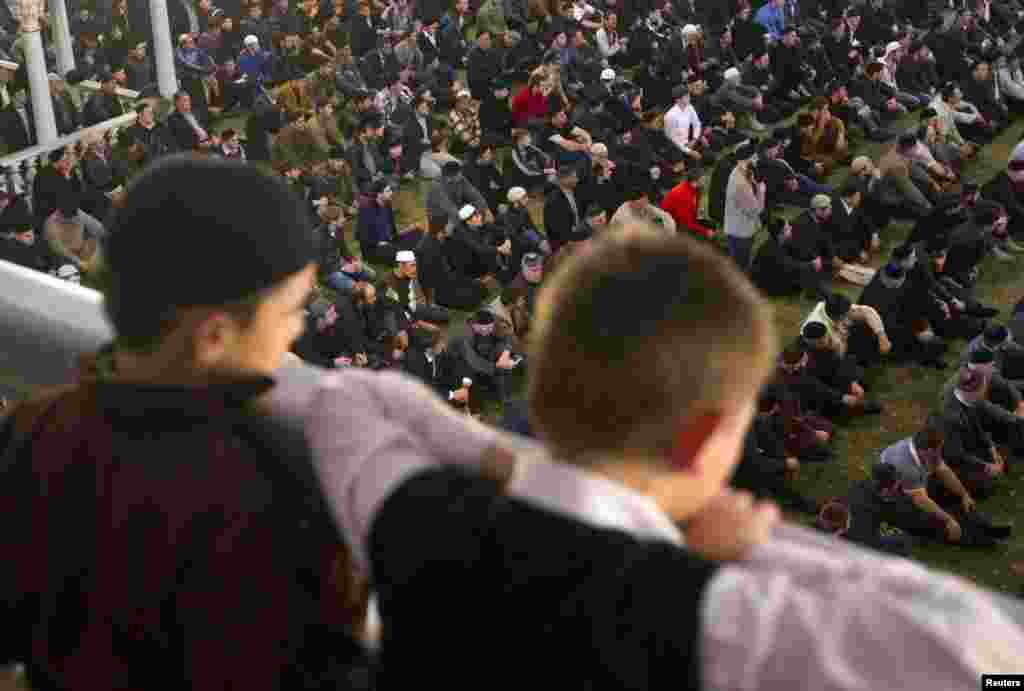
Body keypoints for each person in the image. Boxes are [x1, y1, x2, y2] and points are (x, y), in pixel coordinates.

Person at [0, 155, 373, 690]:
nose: (294, 335)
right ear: (217, 336)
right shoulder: (295, 473)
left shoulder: (34, 435)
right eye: (288, 312)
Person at [723, 151, 765, 272]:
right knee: (740, 262)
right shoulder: (741, 186)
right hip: (741, 232)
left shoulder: (737, 171)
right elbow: (756, 211)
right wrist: (761, 191)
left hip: (735, 226)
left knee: (737, 257)